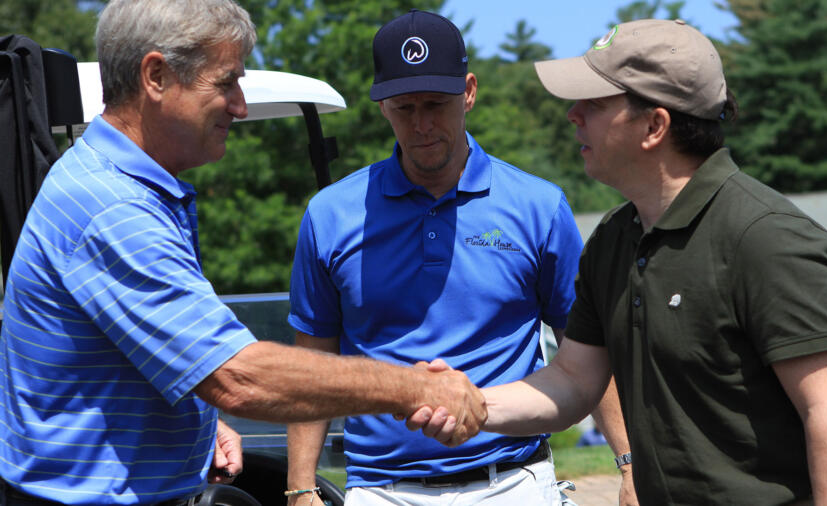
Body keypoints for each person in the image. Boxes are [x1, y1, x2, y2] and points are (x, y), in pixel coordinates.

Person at [0, 1, 486, 505]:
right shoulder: (113, 209)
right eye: (226, 82)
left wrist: (197, 423)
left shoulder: (116, 187)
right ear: (156, 75)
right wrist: (416, 388)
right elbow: (237, 377)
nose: (240, 106)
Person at [415, 18, 827, 505]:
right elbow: (573, 380)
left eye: (594, 102)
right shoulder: (614, 239)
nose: (573, 115)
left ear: (655, 125)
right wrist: (473, 403)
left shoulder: (765, 236)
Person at [285, 9, 586, 506]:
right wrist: (300, 488)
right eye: (404, 108)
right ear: (382, 107)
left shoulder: (539, 206)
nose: (422, 124)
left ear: (468, 91)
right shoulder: (330, 215)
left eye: (436, 104)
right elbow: (312, 364)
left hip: (512, 481)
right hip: (380, 490)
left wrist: (629, 465)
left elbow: (586, 350)